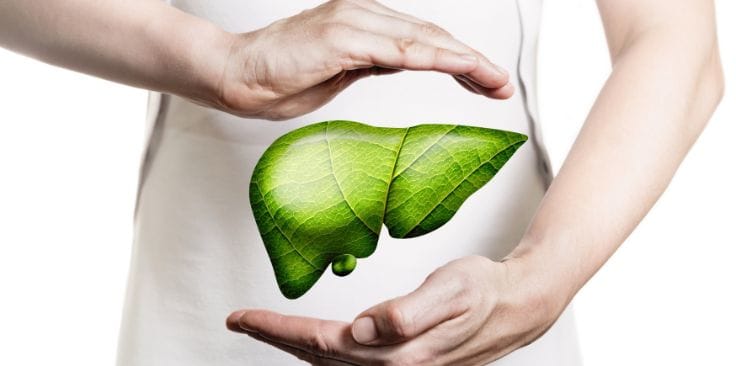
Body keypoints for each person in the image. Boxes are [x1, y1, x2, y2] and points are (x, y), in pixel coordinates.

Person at [0, 0, 724, 365]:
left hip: (496, 322)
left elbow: (673, 41)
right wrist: (218, 62)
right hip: (199, 327)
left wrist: (540, 279)